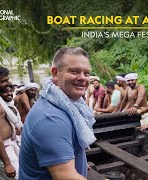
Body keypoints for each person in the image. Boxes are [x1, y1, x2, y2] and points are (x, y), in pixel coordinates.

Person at [19, 47, 96, 179]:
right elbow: (66, 176)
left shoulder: (68, 105)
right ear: (55, 73)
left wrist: (78, 162)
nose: (82, 78)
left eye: (86, 73)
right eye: (74, 71)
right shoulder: (50, 119)